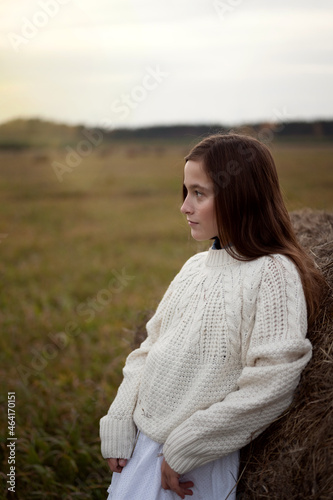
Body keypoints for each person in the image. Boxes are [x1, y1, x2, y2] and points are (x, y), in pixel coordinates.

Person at [99, 133, 323, 500]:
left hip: (195, 465)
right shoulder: (193, 267)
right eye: (185, 192)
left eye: (198, 194)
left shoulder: (273, 273)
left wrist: (189, 445)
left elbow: (274, 379)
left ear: (240, 197)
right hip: (143, 448)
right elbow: (149, 347)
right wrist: (121, 416)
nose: (184, 206)